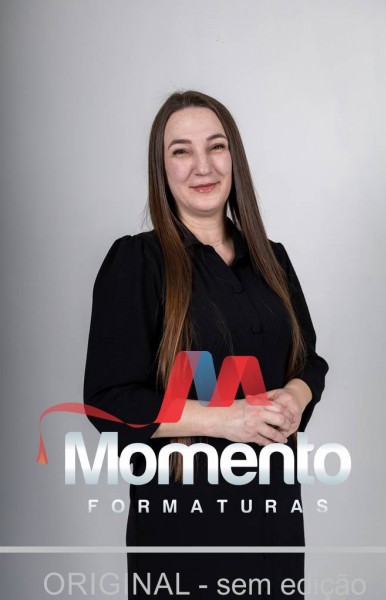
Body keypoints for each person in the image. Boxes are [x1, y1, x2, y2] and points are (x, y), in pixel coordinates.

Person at [83, 90, 329, 599]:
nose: (203, 165)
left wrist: (296, 395)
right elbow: (108, 402)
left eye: (216, 146)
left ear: (234, 157)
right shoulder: (137, 262)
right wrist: (226, 419)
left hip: (276, 518)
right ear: (161, 168)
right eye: (181, 150)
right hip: (184, 526)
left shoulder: (272, 259)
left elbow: (309, 362)